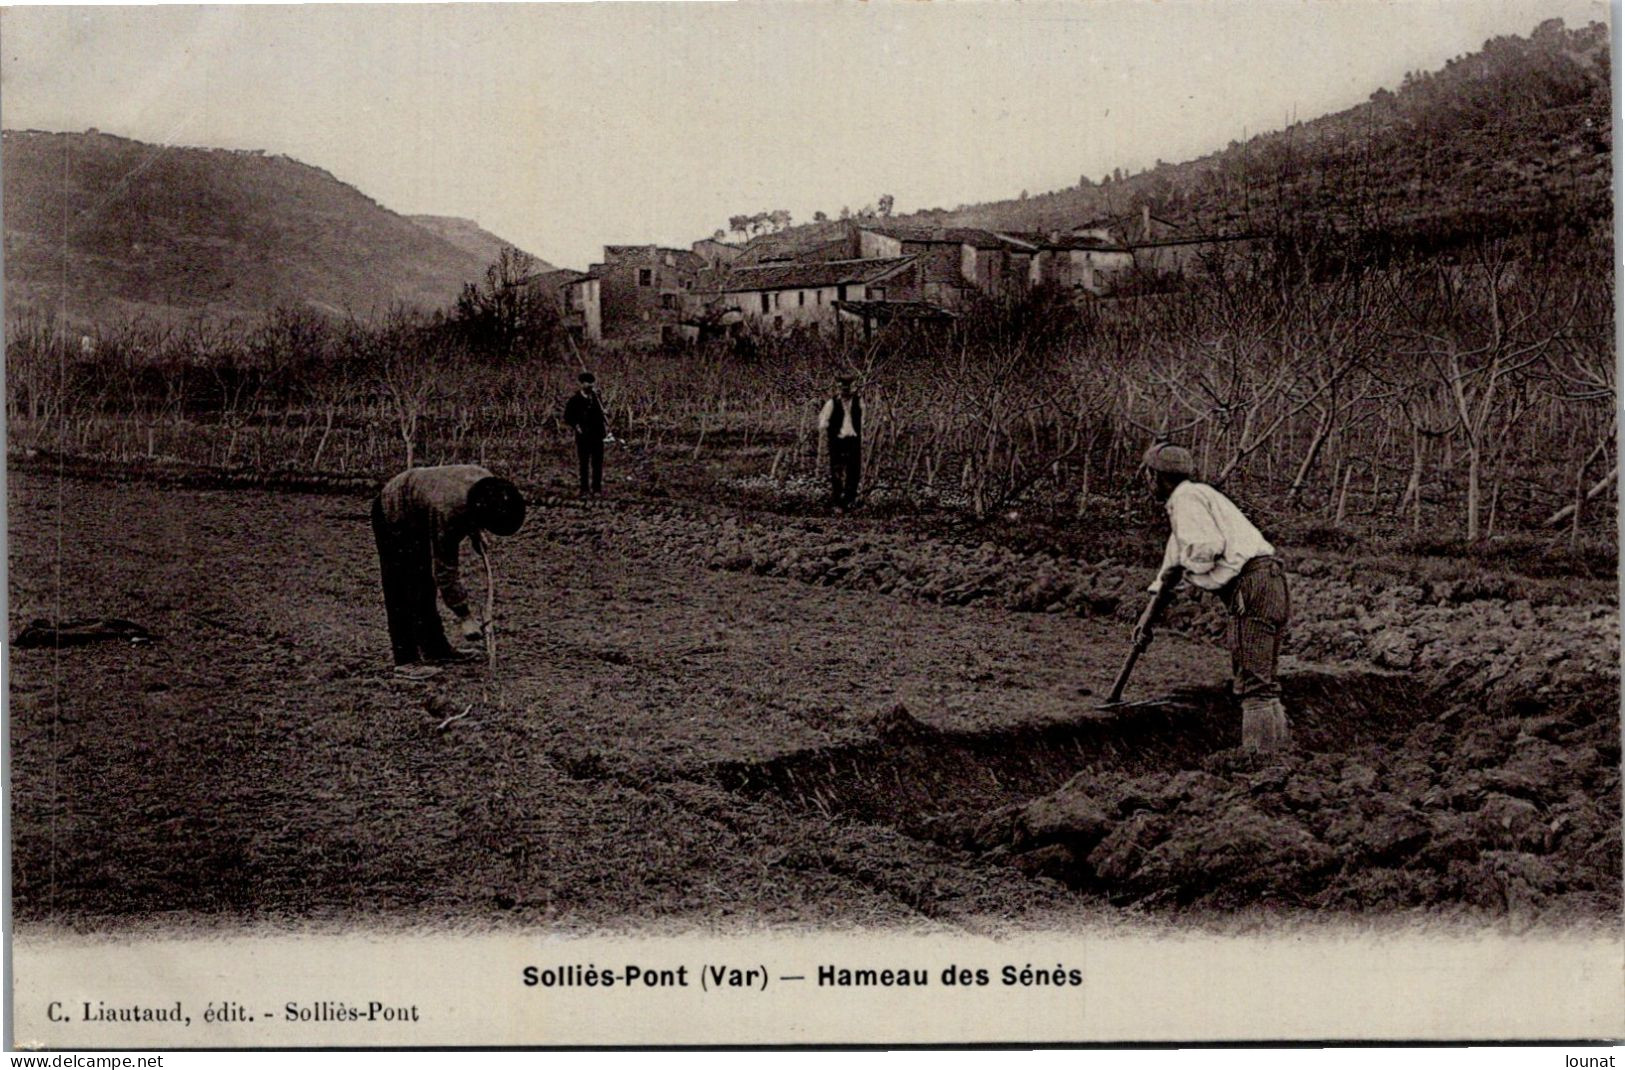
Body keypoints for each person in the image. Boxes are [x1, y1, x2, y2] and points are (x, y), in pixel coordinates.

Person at [1134, 442, 1291, 751]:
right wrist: (1146, 621)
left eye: (1148, 476)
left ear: (1156, 477)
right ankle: (1278, 755)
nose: (1147, 482)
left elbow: (1204, 550)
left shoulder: (1187, 500)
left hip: (1252, 586)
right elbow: (1169, 572)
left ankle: (1260, 761)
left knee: (1254, 685)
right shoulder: (1197, 502)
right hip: (1271, 582)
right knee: (1264, 682)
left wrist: (1189, 571)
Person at [371, 465, 526, 680]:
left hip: (421, 505)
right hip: (394, 510)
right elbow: (445, 569)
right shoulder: (448, 510)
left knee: (424, 583)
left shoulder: (486, 481)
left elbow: (473, 508)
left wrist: (475, 533)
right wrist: (465, 616)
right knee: (402, 585)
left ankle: (435, 648)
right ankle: (405, 660)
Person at [817, 374, 862, 512]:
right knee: (836, 472)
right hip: (838, 442)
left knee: (853, 472)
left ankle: (850, 501)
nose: (845, 391)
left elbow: (864, 421)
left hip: (853, 441)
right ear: (838, 389)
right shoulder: (831, 404)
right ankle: (837, 502)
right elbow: (823, 423)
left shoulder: (859, 402)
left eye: (848, 388)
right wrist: (828, 439)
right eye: (842, 388)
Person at [563, 372, 609, 496]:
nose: (589, 385)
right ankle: (584, 489)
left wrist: (604, 412)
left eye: (591, 382)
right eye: (587, 382)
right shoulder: (574, 400)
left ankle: (597, 489)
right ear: (581, 384)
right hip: (583, 436)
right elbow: (567, 417)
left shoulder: (596, 398)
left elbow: (602, 415)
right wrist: (576, 426)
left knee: (597, 464)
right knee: (584, 464)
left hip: (597, 435)